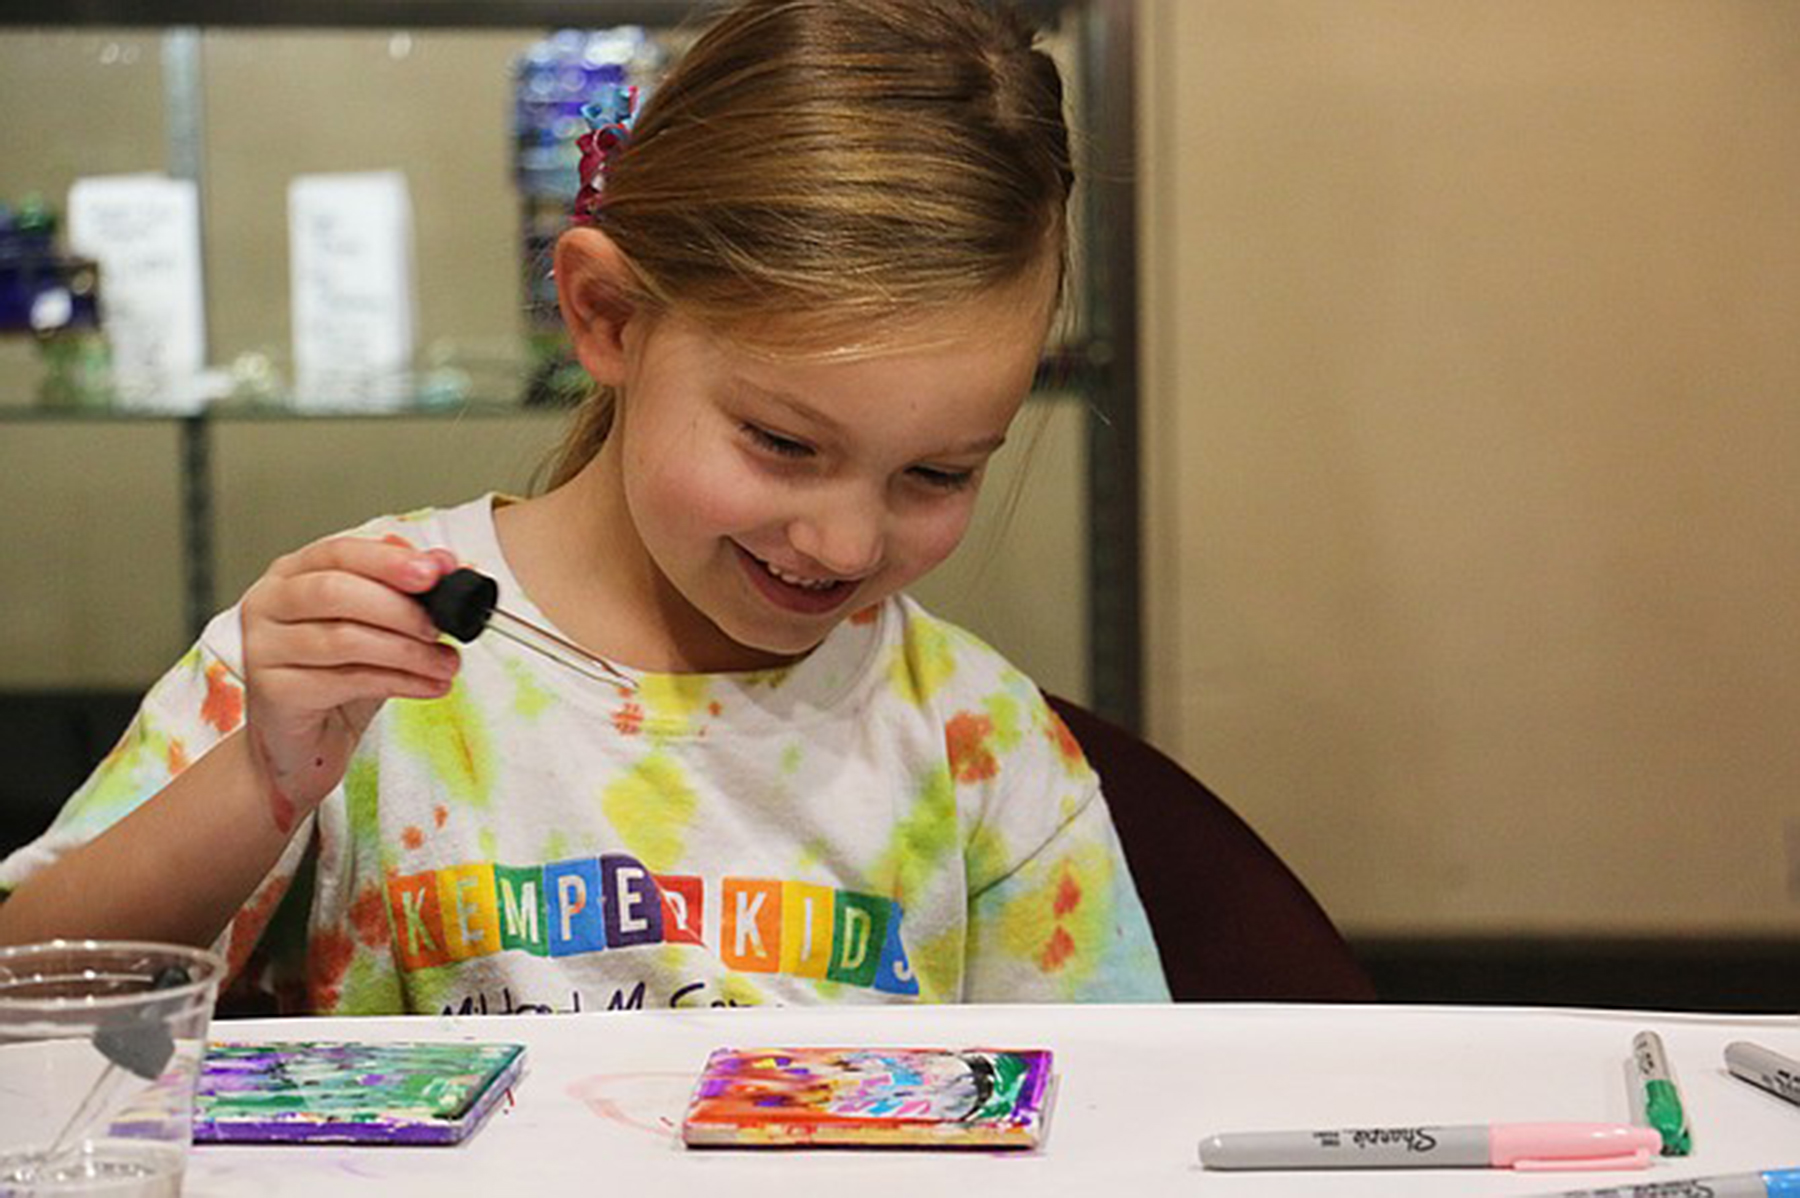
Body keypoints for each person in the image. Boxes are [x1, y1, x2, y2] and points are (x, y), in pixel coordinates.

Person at [0, 0, 1169, 1014]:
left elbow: (1122, 1120)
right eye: (782, 442)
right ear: (606, 317)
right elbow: (25, 1000)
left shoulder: (976, 743)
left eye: (939, 473)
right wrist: (259, 780)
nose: (846, 541)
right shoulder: (355, 643)